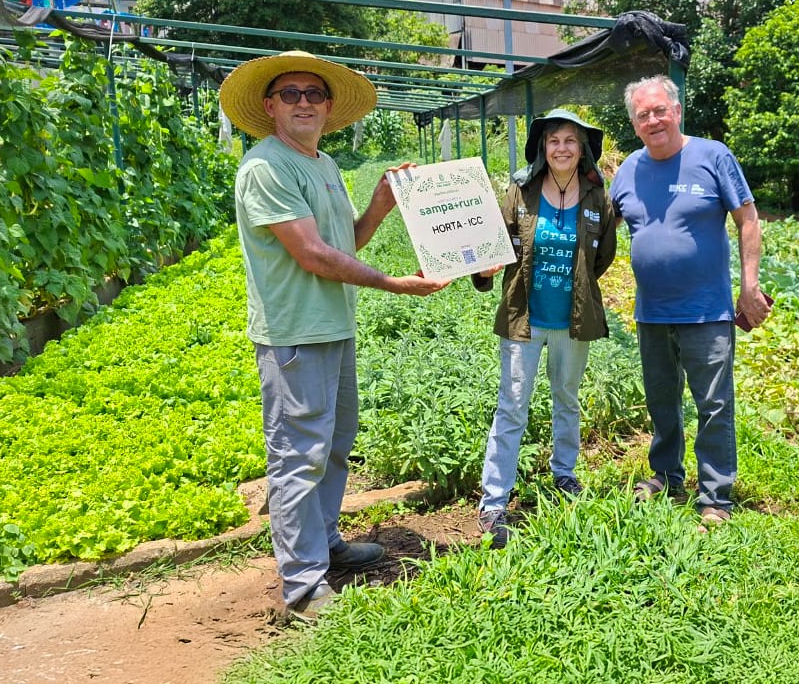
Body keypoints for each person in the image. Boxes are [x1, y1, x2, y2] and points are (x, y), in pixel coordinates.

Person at [220, 50, 449, 621]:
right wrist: (393, 284)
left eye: (314, 94)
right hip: (295, 334)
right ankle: (302, 585)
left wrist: (380, 205)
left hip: (333, 327)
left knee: (335, 443)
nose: (303, 102)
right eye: (291, 94)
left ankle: (323, 544)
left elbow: (345, 242)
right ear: (270, 106)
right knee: (298, 454)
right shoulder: (266, 167)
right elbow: (313, 255)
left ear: (327, 107)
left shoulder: (322, 164)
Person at [609, 75, 771, 528]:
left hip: (706, 309)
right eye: (643, 115)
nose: (653, 120)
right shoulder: (628, 170)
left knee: (713, 403)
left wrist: (750, 285)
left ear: (677, 111)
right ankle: (666, 476)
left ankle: (715, 495)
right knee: (661, 400)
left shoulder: (712, 156)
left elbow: (748, 219)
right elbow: (598, 227)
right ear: (634, 124)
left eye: (660, 110)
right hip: (652, 312)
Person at [472, 109, 618, 546]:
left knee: (567, 398)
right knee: (512, 405)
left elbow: (603, 256)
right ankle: (494, 501)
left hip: (572, 319)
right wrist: (483, 270)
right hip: (525, 317)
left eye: (570, 140)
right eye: (554, 140)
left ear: (583, 149)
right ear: (542, 147)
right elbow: (493, 245)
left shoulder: (597, 197)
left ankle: (564, 474)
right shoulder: (521, 191)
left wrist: (577, 288)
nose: (562, 148)